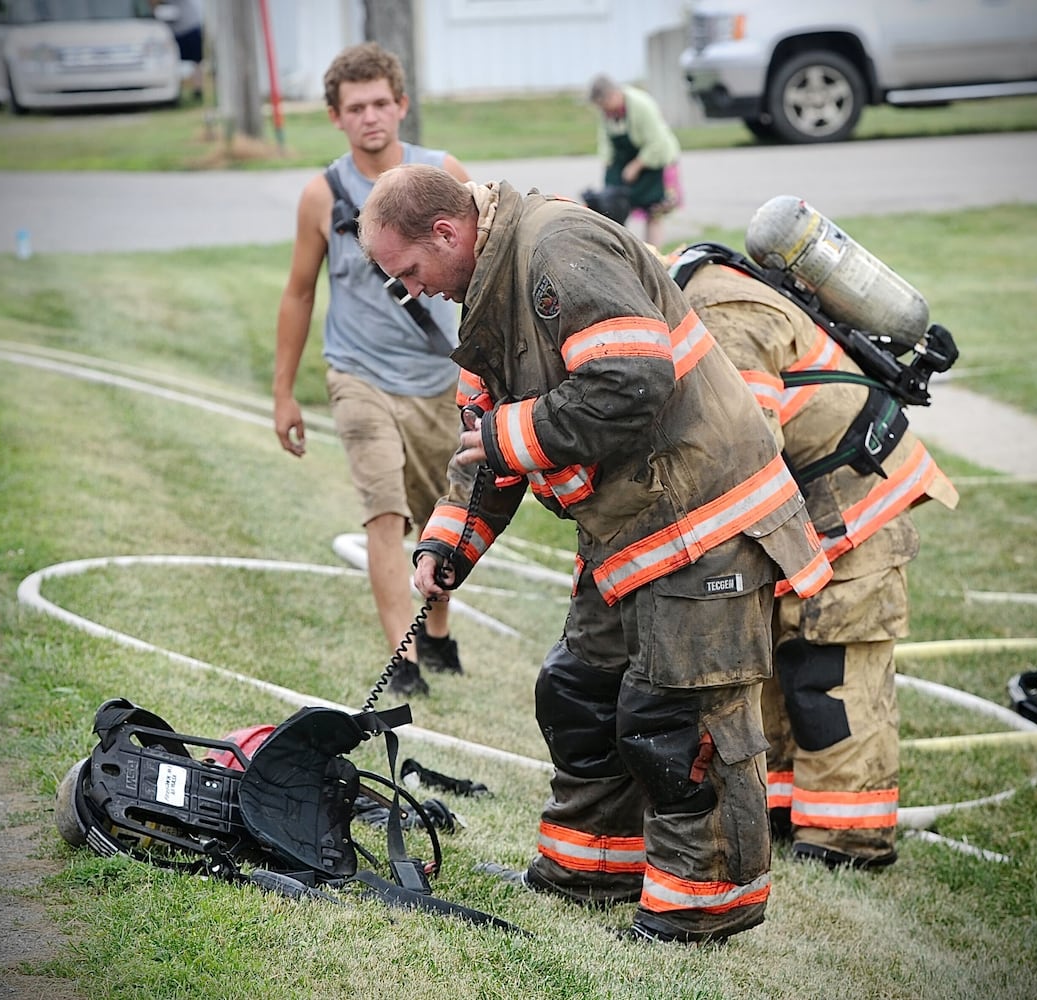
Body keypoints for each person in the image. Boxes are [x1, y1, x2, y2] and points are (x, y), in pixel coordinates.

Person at [357, 163, 833, 944]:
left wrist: (514, 435)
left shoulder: (558, 248)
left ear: (447, 233)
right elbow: (487, 445)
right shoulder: (485, 292)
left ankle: (704, 905)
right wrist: (449, 545)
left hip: (703, 521)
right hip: (633, 530)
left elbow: (630, 380)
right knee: (579, 694)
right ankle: (592, 868)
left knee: (678, 723)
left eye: (410, 272)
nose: (414, 290)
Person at [667, 236, 959, 869]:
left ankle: (848, 840)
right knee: (774, 665)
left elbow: (747, 454)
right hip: (804, 509)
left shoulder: (726, 317)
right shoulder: (687, 296)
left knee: (830, 678)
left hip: (851, 508)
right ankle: (782, 810)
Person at [272, 44, 471, 697]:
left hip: (437, 378)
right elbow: (299, 292)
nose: (371, 117)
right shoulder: (322, 196)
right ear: (336, 116)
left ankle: (436, 626)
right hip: (357, 374)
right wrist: (284, 393)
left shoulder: (443, 173)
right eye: (355, 107)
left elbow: (478, 272)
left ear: (402, 104)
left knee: (442, 515)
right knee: (385, 511)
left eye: (381, 102)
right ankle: (405, 657)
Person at [587, 74, 681, 246]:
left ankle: (653, 256)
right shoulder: (607, 112)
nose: (604, 111)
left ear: (614, 95)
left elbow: (657, 141)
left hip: (655, 162)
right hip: (624, 162)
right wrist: (607, 162)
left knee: (654, 212)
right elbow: (605, 140)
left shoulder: (641, 105)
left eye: (605, 105)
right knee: (612, 207)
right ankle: (619, 251)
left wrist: (637, 165)